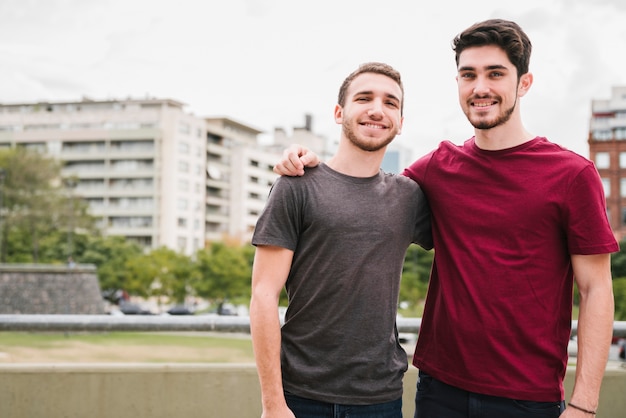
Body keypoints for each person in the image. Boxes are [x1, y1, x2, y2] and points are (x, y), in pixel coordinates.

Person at [273, 19, 618, 418]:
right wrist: (308, 161)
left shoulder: (572, 174)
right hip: (439, 391)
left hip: (529, 397)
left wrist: (583, 405)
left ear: (524, 83)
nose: (480, 87)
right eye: (468, 75)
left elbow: (596, 290)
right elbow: (364, 192)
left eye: (496, 74)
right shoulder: (437, 167)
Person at [249, 62, 432, 418]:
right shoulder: (296, 184)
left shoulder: (409, 198)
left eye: (390, 103)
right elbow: (263, 296)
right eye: (364, 98)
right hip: (300, 396)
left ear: (400, 121)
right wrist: (273, 404)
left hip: (380, 399)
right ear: (339, 112)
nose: (377, 110)